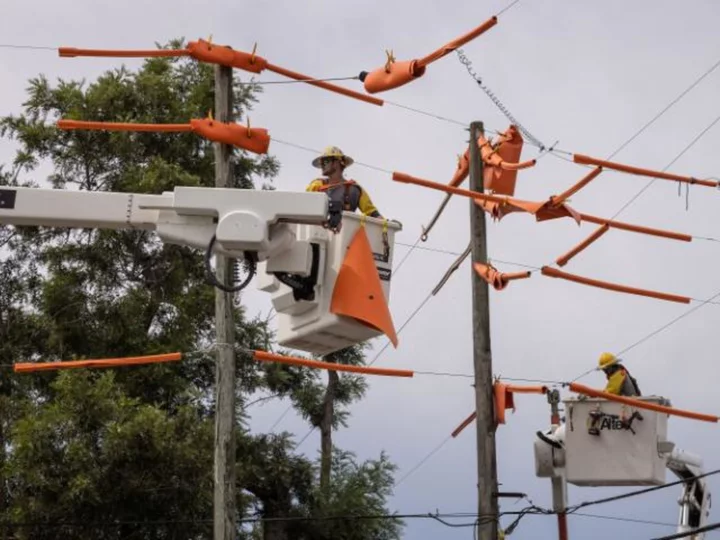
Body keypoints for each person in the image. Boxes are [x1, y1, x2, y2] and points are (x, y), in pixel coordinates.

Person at [306, 146, 382, 229]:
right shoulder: (317, 185)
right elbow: (306, 204)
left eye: (325, 162)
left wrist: (387, 224)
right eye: (321, 163)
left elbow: (372, 212)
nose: (322, 166)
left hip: (343, 236)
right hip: (318, 234)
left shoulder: (354, 189)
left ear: (337, 162)